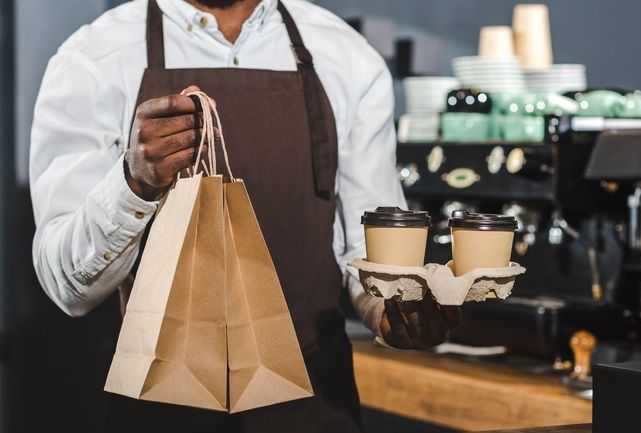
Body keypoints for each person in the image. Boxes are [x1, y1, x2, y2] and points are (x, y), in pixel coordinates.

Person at [29, 0, 460, 432]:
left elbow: (364, 249)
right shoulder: (94, 59)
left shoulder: (346, 56)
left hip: (314, 408)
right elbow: (66, 287)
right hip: (162, 410)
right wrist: (132, 183)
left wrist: (395, 312)